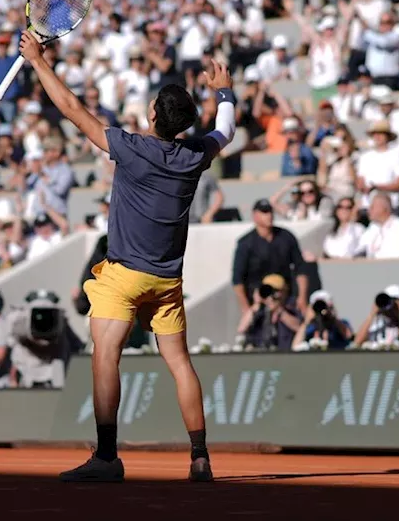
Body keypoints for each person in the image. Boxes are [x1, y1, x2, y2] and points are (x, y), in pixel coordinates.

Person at [16, 30, 235, 483]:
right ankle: (199, 457)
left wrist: (38, 62)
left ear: (154, 114)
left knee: (105, 357)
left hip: (124, 277)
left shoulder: (134, 149)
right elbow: (226, 130)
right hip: (167, 283)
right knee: (180, 363)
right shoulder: (194, 155)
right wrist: (225, 92)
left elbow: (75, 112)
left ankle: (107, 457)